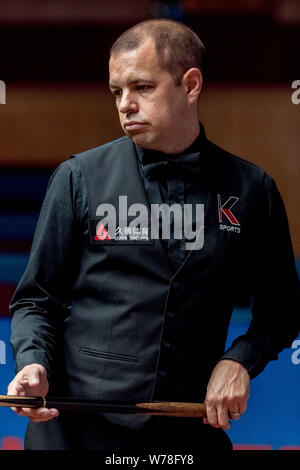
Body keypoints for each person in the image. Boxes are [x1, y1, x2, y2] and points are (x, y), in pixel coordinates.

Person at [7, 19, 300, 451]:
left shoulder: (252, 190)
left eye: (142, 87)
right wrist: (33, 363)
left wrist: (239, 360)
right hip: (73, 431)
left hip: (186, 435)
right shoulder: (78, 178)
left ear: (191, 84)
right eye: (116, 92)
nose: (125, 104)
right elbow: (36, 299)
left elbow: (281, 309)